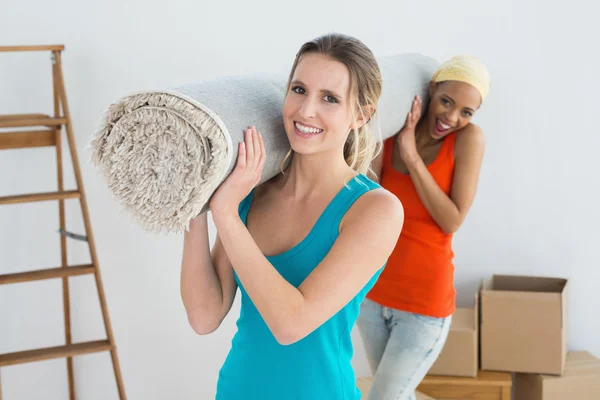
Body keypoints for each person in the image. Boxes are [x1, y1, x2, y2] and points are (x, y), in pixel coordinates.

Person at [180, 33, 404, 400]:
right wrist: (197, 203)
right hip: (237, 390)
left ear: (361, 115)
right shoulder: (252, 192)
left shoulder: (375, 210)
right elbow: (204, 316)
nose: (305, 111)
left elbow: (290, 324)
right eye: (299, 90)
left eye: (329, 98)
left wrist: (226, 214)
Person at [357, 55, 490, 400]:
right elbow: (368, 200)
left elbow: (452, 220)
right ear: (432, 90)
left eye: (466, 111)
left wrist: (412, 157)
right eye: (446, 101)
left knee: (384, 397)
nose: (452, 117)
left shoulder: (468, 140)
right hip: (372, 296)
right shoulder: (393, 130)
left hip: (423, 308)